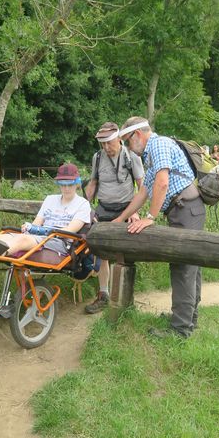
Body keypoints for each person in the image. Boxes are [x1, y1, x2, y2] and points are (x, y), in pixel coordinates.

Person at [113, 116, 206, 339]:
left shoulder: (158, 144)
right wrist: (120, 219)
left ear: (137, 135)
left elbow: (162, 183)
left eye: (126, 141)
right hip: (184, 210)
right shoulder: (151, 155)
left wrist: (150, 217)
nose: (128, 148)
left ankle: (180, 329)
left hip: (186, 210)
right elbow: (143, 193)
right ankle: (187, 318)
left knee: (183, 268)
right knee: (189, 266)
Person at [83, 122, 144, 314]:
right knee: (102, 254)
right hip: (103, 209)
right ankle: (104, 294)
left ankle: (124, 297)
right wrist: (85, 207)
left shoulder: (131, 157)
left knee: (123, 254)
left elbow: (142, 187)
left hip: (126, 209)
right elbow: (92, 183)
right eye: (102, 144)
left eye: (109, 143)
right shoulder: (98, 157)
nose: (106, 147)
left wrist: (134, 211)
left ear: (119, 138)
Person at [0, 163, 91, 258]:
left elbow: (68, 231)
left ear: (77, 183)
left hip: (60, 241)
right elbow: (36, 223)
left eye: (70, 184)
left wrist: (38, 231)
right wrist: (30, 227)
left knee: (23, 239)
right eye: (62, 184)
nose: (66, 188)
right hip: (40, 237)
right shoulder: (50, 199)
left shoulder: (83, 204)